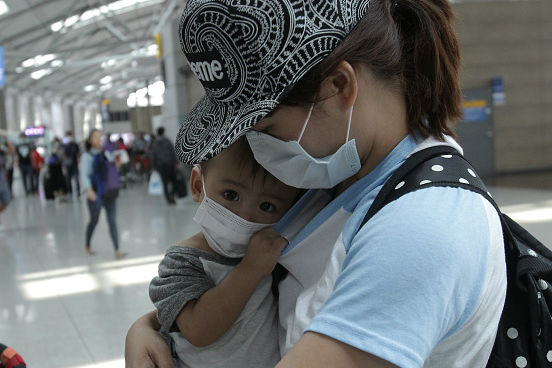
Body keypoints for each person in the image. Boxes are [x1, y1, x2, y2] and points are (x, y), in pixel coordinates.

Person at [126, 1, 507, 367]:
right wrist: (149, 326)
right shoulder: (338, 178)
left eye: (265, 129)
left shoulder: (423, 225)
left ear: (339, 86)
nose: (258, 152)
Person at [149, 137, 301, 367]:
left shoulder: (274, 259)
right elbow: (199, 330)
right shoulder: (181, 262)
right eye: (231, 195)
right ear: (198, 187)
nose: (245, 216)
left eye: (266, 206)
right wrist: (250, 269)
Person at [81, 129, 126, 259]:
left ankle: (117, 250)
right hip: (95, 193)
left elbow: (111, 169)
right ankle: (87, 245)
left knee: (112, 221)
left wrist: (117, 164)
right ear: (90, 140)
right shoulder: (86, 156)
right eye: (95, 137)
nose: (99, 139)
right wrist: (89, 190)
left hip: (109, 192)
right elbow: (84, 175)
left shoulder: (106, 153)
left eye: (100, 137)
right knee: (94, 221)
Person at [150, 127, 178, 205]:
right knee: (174, 181)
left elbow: (153, 155)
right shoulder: (167, 141)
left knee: (164, 183)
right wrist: (176, 162)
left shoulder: (154, 143)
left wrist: (153, 166)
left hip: (161, 165)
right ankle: (172, 196)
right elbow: (172, 152)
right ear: (163, 132)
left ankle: (168, 199)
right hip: (170, 164)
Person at [62, 131, 81, 197]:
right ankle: (70, 192)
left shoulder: (75, 145)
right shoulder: (64, 145)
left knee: (76, 179)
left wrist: (78, 160)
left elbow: (78, 153)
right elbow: (63, 155)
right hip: (68, 165)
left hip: (74, 164)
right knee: (68, 179)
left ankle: (78, 192)